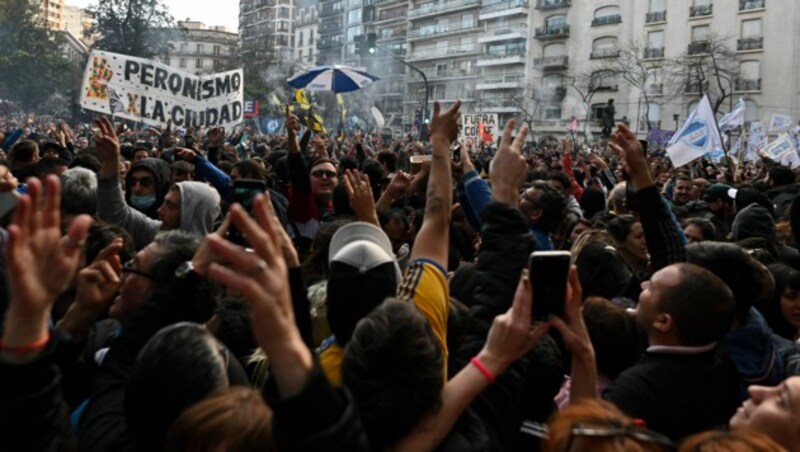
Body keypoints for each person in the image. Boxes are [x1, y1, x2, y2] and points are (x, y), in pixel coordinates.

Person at [601, 263, 742, 440]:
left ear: (663, 322)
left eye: (651, 287)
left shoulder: (630, 393)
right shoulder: (726, 365)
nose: (643, 285)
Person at [93, 117, 221, 250]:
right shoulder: (155, 232)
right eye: (132, 181)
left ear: (194, 213)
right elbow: (116, 213)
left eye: (171, 206)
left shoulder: (211, 264)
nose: (160, 210)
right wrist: (110, 162)